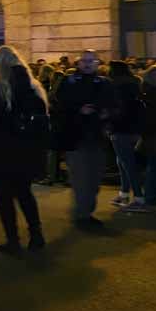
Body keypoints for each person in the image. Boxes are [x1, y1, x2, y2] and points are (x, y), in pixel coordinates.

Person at [0, 46, 48, 255]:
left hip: (1, 150)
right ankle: (36, 234)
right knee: (25, 193)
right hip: (26, 150)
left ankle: (13, 240)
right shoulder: (34, 88)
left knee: (4, 197)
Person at [55, 50, 113, 230]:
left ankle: (86, 210)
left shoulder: (104, 83)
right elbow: (58, 104)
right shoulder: (68, 81)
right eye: (84, 61)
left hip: (97, 137)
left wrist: (107, 113)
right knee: (80, 179)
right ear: (78, 63)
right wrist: (78, 110)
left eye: (91, 61)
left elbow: (115, 104)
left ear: (97, 63)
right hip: (76, 138)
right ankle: (83, 215)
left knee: (94, 180)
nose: (87, 64)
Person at [106, 60, 146, 211]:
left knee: (127, 163)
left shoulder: (115, 86)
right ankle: (123, 193)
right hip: (135, 129)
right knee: (122, 161)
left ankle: (138, 197)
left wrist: (109, 121)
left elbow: (116, 109)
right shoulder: (135, 83)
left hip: (121, 129)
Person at [141, 64, 156, 207]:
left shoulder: (146, 91)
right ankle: (151, 196)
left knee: (154, 165)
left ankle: (151, 196)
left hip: (151, 134)